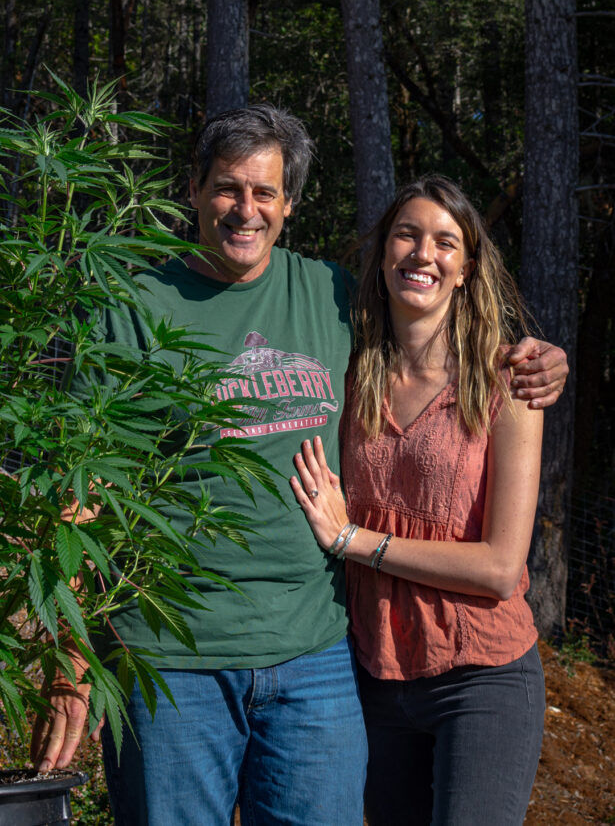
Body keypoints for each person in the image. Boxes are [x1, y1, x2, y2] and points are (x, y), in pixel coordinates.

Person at [31, 108, 567, 826]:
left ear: (289, 203)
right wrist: (69, 654)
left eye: (264, 192)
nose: (244, 209)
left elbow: (431, 328)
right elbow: (80, 495)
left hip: (316, 657)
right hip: (170, 656)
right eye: (227, 188)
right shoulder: (130, 308)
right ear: (192, 189)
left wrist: (538, 360)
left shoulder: (332, 297)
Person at [291, 174, 547, 826]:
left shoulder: (507, 382)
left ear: (465, 268)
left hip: (481, 676)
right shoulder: (345, 373)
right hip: (373, 673)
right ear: (381, 254)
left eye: (443, 240)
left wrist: (354, 541)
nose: (421, 252)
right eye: (406, 233)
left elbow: (497, 566)